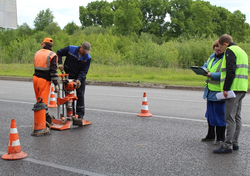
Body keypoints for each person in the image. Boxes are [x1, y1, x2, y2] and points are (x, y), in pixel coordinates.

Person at [213, 34, 248, 154]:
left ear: (225, 44)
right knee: (237, 116)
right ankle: (235, 143)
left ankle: (227, 145)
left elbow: (231, 71)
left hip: (233, 89)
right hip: (242, 87)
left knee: (229, 118)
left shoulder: (230, 51)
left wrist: (226, 88)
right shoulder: (242, 51)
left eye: (221, 48)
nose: (222, 50)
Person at [57, 42, 91, 119]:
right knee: (69, 96)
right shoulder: (70, 49)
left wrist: (78, 80)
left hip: (80, 77)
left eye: (86, 52)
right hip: (68, 76)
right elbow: (59, 53)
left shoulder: (88, 57)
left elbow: (84, 71)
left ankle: (79, 115)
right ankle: (71, 114)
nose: (85, 53)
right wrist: (60, 63)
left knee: (80, 96)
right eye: (84, 51)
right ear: (81, 48)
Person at [201, 40, 226, 145]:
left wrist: (212, 75)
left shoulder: (226, 58)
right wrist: (203, 70)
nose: (217, 50)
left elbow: (226, 74)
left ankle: (220, 137)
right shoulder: (212, 57)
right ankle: (210, 135)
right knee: (210, 115)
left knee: (219, 115)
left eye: (219, 48)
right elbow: (205, 65)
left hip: (219, 91)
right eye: (215, 48)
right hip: (210, 91)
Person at [33, 37, 59, 134]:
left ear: (44, 44)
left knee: (39, 100)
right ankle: (43, 123)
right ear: (51, 46)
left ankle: (44, 118)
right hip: (44, 81)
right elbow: (53, 71)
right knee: (43, 102)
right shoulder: (53, 55)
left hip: (35, 78)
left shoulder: (37, 53)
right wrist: (56, 83)